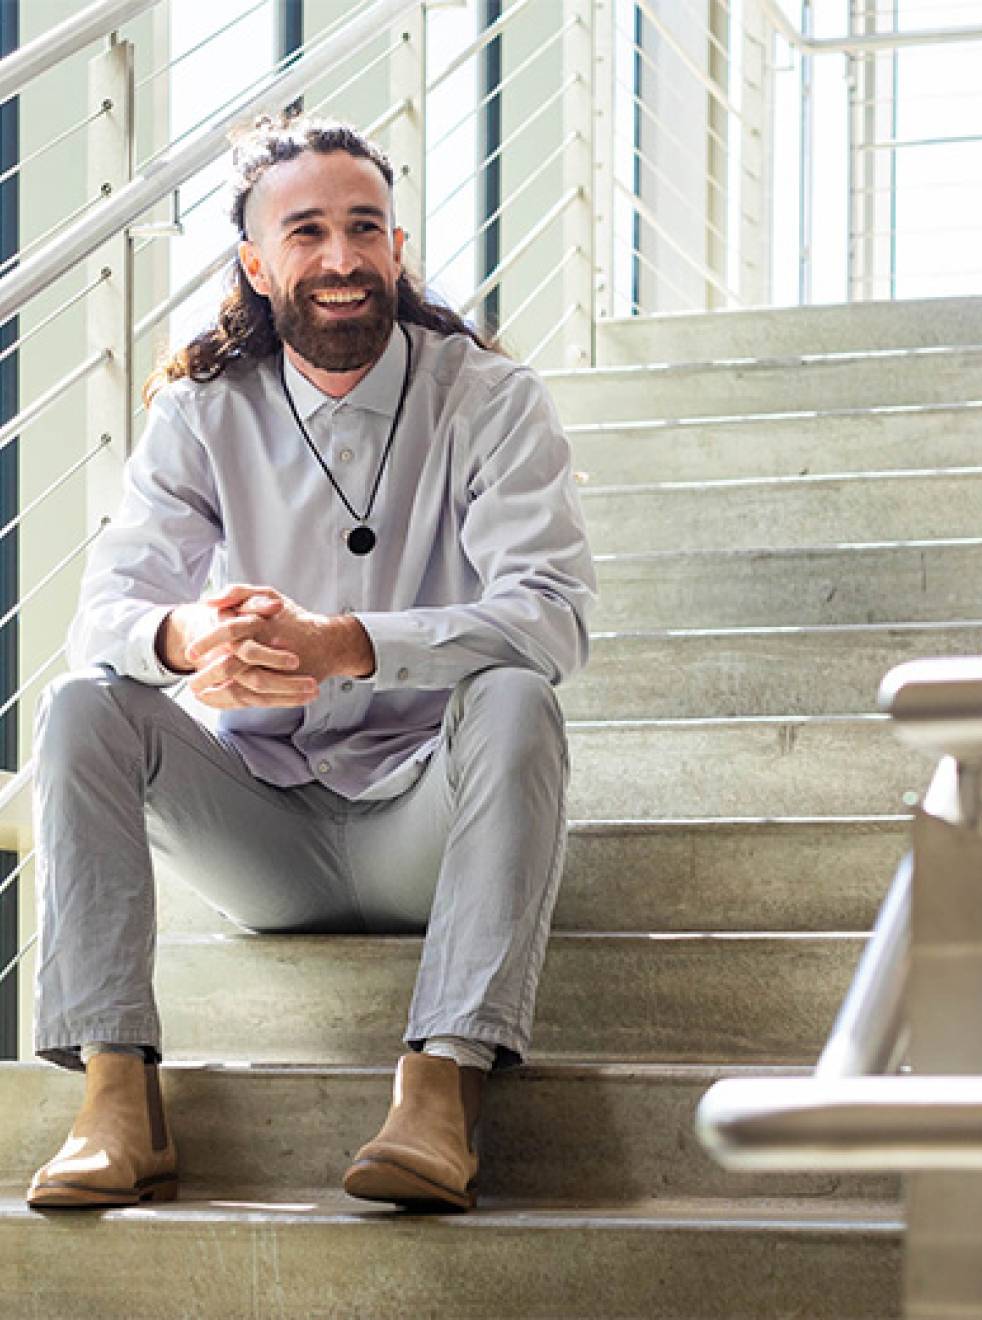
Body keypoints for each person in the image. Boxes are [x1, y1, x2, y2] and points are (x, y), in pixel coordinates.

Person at [25, 116, 595, 1213]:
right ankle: (116, 1103)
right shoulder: (201, 409)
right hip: (266, 839)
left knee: (520, 693)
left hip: (424, 827)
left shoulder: (490, 398)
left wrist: (347, 648)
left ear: (395, 245)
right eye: (308, 232)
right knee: (83, 707)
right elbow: (105, 611)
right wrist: (194, 640)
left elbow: (553, 614)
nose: (341, 260)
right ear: (255, 261)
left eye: (365, 228)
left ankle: (440, 1094)